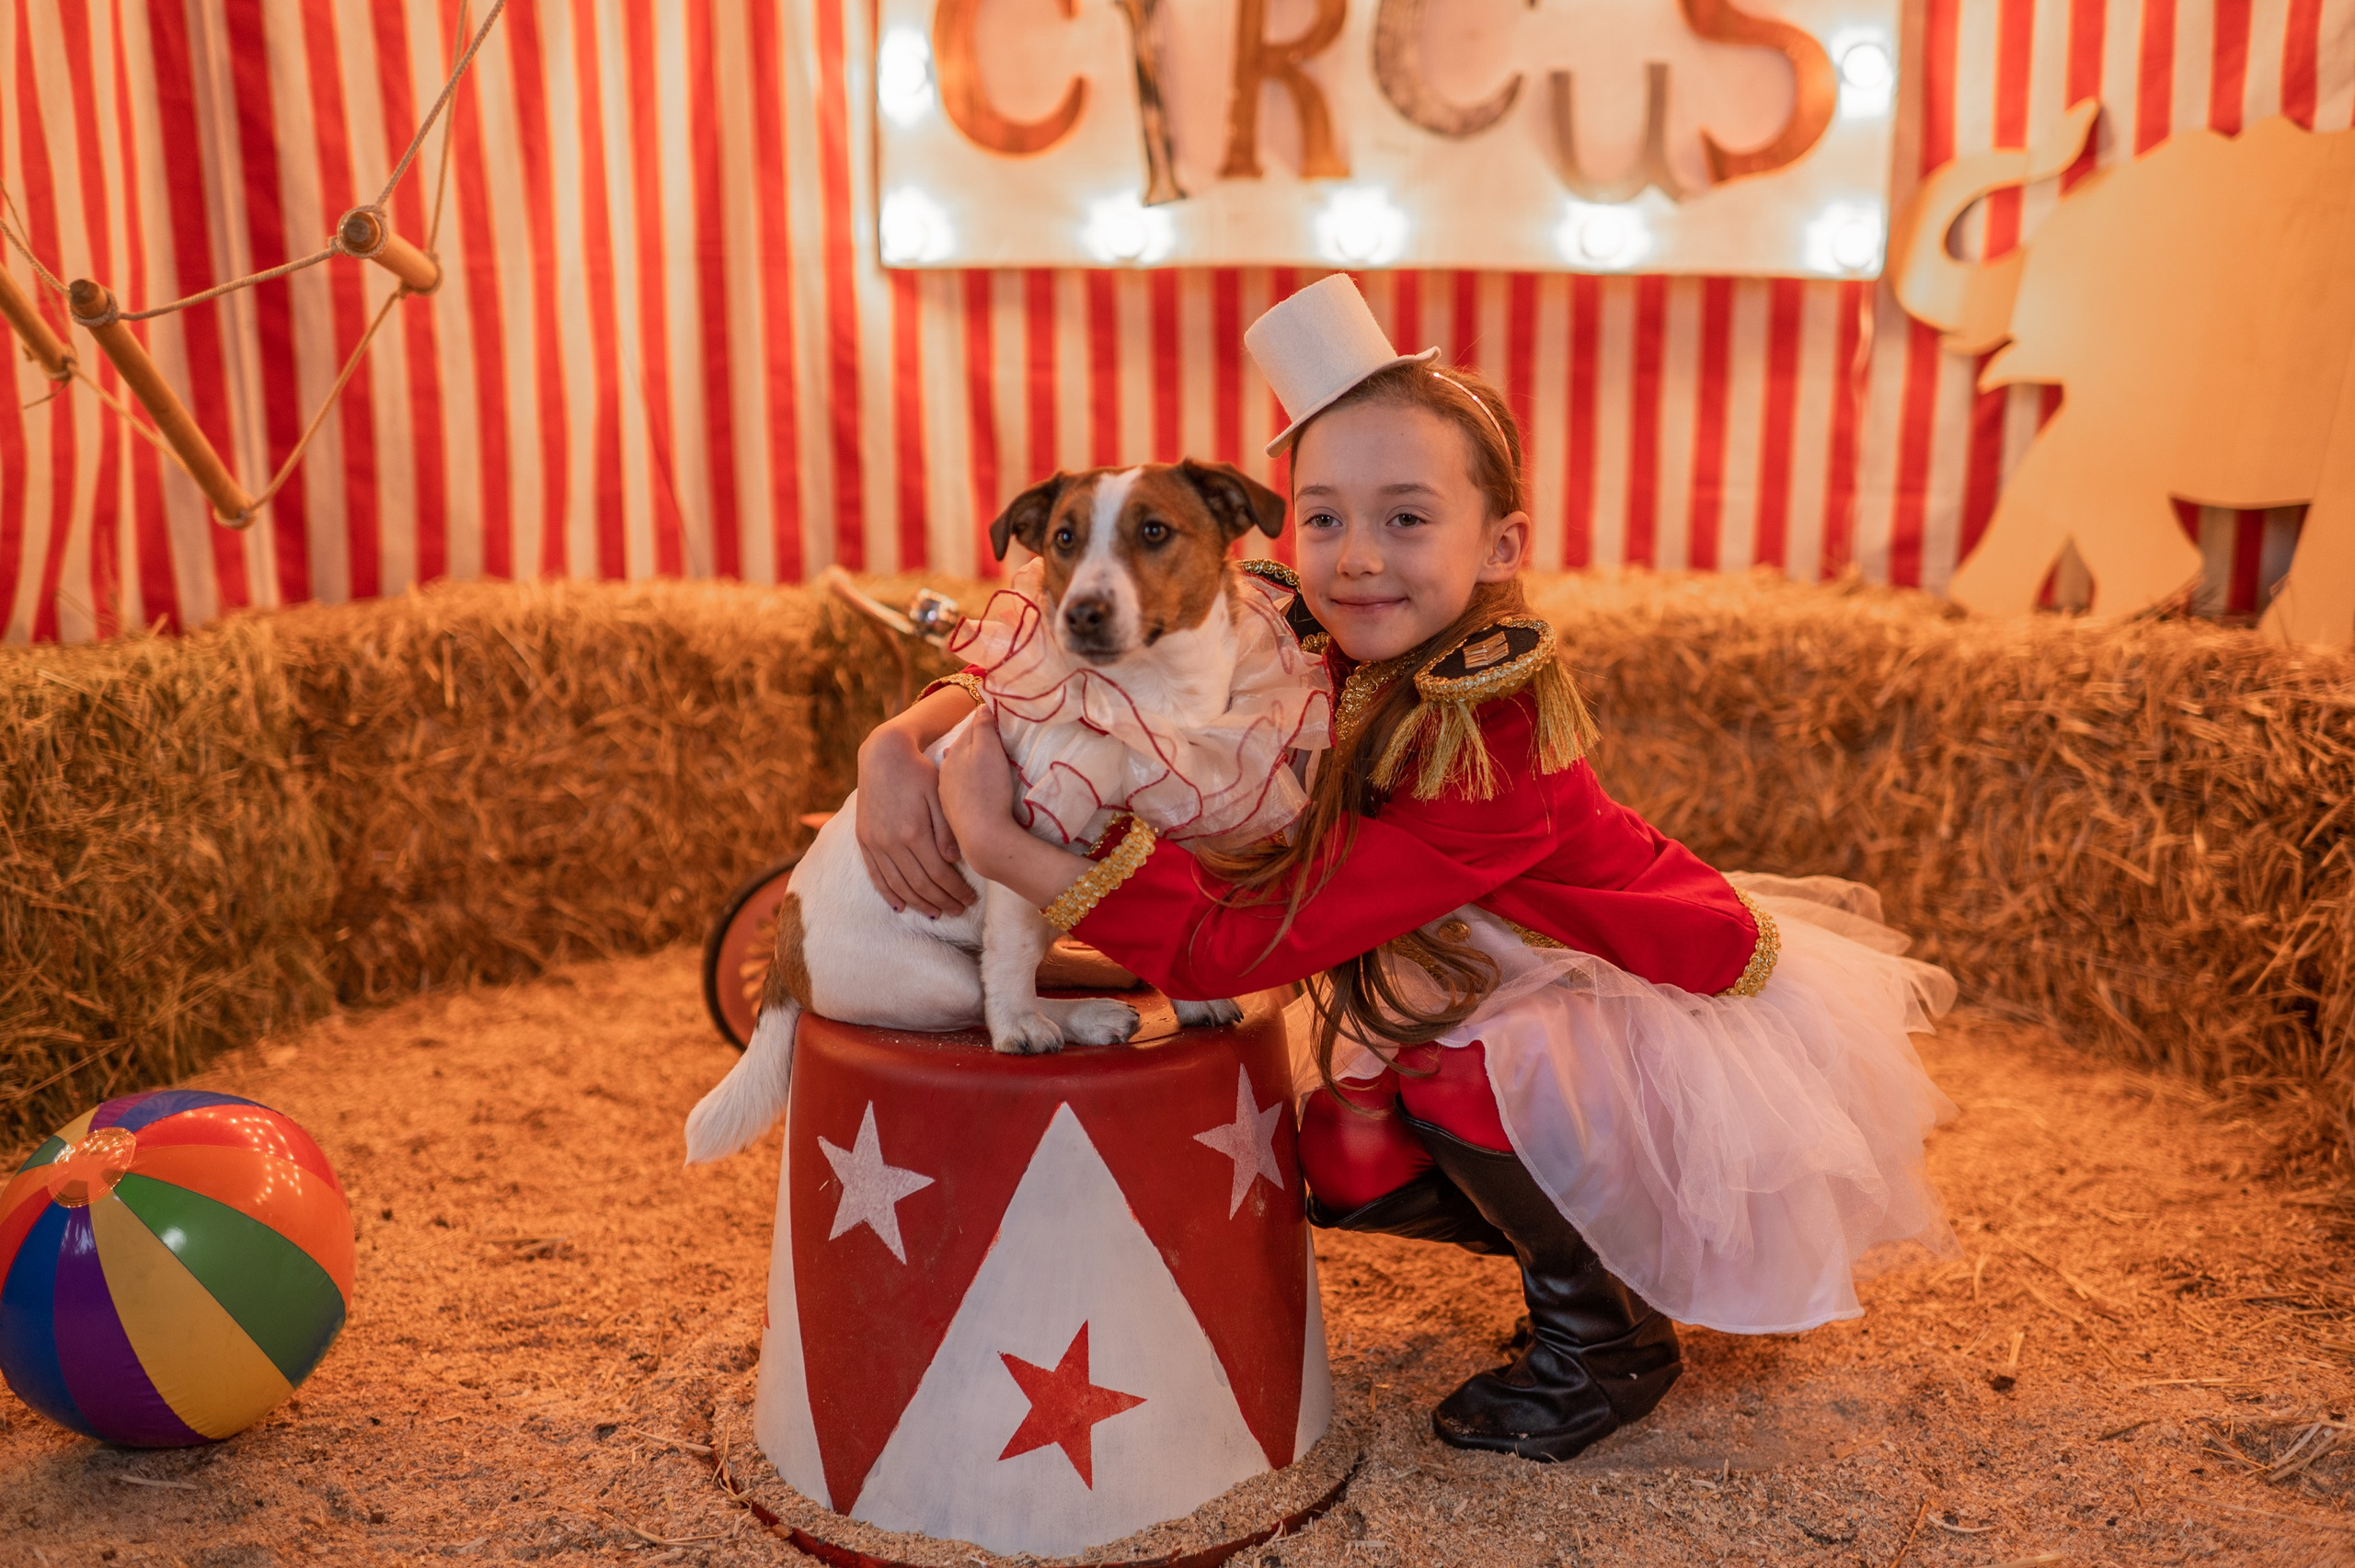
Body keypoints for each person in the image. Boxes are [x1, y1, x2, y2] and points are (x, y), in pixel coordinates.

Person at [872, 275, 1959, 1464]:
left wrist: (1003, 847)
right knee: (1342, 1163)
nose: (1356, 561)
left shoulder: (1486, 742)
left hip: (1616, 997)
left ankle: (1605, 1336)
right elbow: (1092, 646)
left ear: (1500, 546)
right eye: (1325, 518)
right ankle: (1586, 1252)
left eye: (1406, 518)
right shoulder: (1290, 622)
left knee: (1462, 1071)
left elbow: (1254, 942)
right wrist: (911, 736)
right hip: (1459, 975)